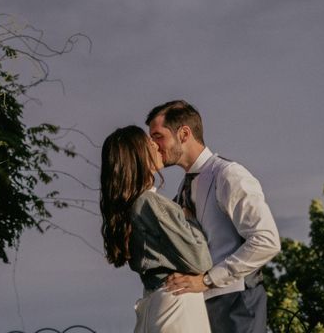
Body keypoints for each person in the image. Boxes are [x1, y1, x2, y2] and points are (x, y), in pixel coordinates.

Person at [146, 100, 281, 333]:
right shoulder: (183, 188)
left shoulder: (228, 175)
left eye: (158, 136)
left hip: (237, 303)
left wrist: (207, 280)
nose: (154, 146)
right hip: (199, 306)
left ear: (184, 133)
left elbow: (266, 241)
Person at [100, 125, 212, 333]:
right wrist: (190, 220)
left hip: (156, 302)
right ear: (137, 156)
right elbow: (200, 260)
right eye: (148, 142)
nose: (155, 144)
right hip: (177, 304)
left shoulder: (130, 206)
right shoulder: (149, 203)